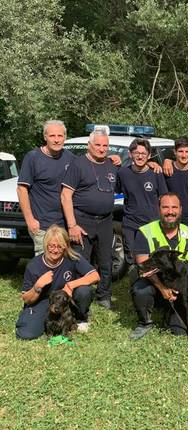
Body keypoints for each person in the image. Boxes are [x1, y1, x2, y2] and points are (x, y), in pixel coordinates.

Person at [129, 193, 188, 340]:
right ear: (159, 209)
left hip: (180, 287)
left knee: (179, 331)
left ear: (180, 210)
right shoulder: (146, 231)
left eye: (174, 207)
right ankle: (145, 322)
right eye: (165, 207)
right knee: (141, 290)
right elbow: (142, 263)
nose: (170, 211)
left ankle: (170, 316)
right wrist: (162, 288)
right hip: (155, 283)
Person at [61, 127, 118, 309]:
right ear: (89, 145)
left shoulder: (112, 164)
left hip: (106, 221)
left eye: (105, 145)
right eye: (98, 145)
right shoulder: (78, 164)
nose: (102, 149)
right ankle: (80, 294)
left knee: (106, 260)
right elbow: (65, 195)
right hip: (82, 221)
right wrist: (72, 225)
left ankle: (104, 295)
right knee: (80, 260)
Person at [15, 225, 100, 340]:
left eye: (60, 247)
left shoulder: (72, 258)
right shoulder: (34, 265)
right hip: (44, 301)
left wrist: (71, 285)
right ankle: (34, 319)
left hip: (66, 299)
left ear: (65, 247)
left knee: (84, 290)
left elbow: (95, 276)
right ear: (45, 245)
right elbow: (26, 298)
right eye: (52, 246)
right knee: (27, 334)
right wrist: (37, 286)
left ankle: (80, 319)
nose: (55, 250)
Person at [17, 120, 75, 255]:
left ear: (65, 137)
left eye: (60, 136)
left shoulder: (71, 158)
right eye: (52, 136)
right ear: (45, 137)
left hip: (63, 225)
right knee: (45, 266)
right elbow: (21, 190)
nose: (56, 140)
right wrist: (30, 220)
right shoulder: (33, 158)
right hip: (42, 225)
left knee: (62, 267)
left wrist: (110, 159)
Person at [116, 138, 168, 267]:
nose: (140, 156)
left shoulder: (156, 173)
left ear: (149, 156)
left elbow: (164, 198)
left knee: (152, 258)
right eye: (136, 153)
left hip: (151, 223)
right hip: (130, 223)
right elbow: (115, 190)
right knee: (132, 258)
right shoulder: (123, 173)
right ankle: (135, 285)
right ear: (130, 154)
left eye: (143, 154)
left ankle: (152, 285)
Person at [164, 137, 188, 233]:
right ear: (175, 152)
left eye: (187, 151)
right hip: (171, 220)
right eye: (180, 151)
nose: (184, 155)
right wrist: (152, 163)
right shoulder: (167, 170)